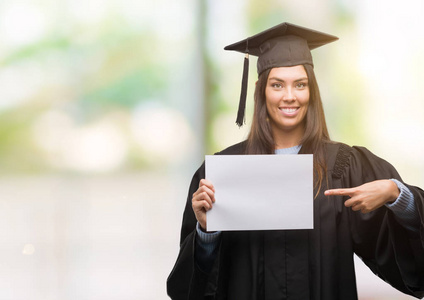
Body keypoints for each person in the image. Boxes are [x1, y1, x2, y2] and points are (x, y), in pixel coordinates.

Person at [167, 22, 424, 300]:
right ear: (261, 89)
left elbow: (401, 254)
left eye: (299, 84)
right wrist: (206, 233)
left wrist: (397, 194)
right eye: (277, 85)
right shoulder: (223, 172)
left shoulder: (343, 166)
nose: (289, 96)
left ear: (311, 90)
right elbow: (186, 290)